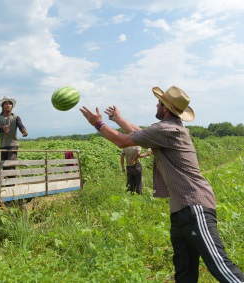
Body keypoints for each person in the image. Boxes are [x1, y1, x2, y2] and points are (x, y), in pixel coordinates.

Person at [80, 86, 244, 282]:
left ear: (165, 108)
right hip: (181, 210)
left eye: (159, 102)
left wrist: (97, 124)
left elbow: (123, 141)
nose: (156, 104)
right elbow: (140, 132)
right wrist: (117, 119)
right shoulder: (166, 130)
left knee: (220, 266)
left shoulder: (167, 129)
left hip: (195, 206)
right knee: (184, 270)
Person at [0, 96, 28, 170]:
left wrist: (24, 131)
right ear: (2, 106)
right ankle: (6, 180)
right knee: (4, 166)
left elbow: (21, 126)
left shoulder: (16, 117)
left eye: (9, 103)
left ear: (12, 106)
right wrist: (2, 128)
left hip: (13, 144)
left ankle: (12, 181)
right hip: (3, 144)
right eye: (5, 103)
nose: (8, 105)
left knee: (11, 165)